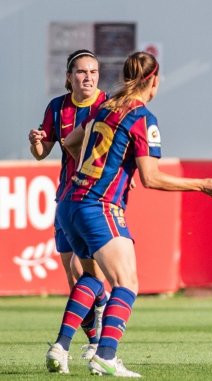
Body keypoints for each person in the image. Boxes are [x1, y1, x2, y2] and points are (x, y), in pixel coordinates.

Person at [45, 51, 212, 377]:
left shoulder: (104, 108)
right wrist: (202, 185)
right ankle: (105, 354)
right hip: (98, 206)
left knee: (93, 278)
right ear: (153, 81)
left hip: (70, 203)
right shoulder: (142, 118)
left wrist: (99, 167)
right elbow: (152, 178)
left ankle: (61, 346)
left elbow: (70, 143)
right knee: (128, 282)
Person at [30, 49, 110, 363]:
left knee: (89, 270)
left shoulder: (107, 105)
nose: (87, 77)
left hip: (98, 198)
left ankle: (77, 339)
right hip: (66, 197)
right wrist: (36, 141)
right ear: (69, 77)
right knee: (74, 275)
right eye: (81, 72)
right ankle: (94, 337)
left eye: (92, 71)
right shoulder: (57, 108)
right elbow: (42, 152)